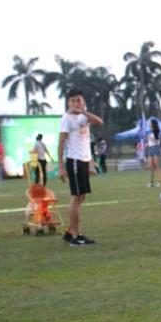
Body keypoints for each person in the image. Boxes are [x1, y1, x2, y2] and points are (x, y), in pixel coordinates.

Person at [58, 88, 103, 245]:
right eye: (73, 100)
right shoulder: (66, 118)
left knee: (81, 196)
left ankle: (71, 232)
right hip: (75, 160)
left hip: (83, 160)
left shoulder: (83, 118)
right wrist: (61, 166)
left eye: (79, 100)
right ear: (68, 103)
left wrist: (90, 162)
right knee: (76, 197)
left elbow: (99, 121)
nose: (76, 103)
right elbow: (61, 142)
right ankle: (76, 236)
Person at [145, 119, 161, 187]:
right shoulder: (149, 132)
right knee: (150, 166)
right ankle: (151, 182)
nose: (149, 124)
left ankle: (160, 181)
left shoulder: (157, 132)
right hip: (150, 149)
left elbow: (157, 142)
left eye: (150, 123)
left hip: (156, 148)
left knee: (157, 166)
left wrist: (150, 138)